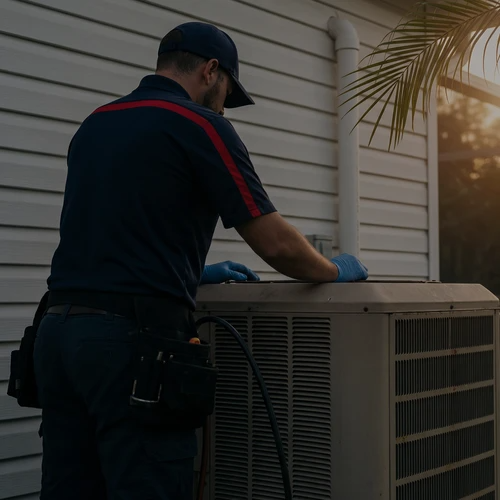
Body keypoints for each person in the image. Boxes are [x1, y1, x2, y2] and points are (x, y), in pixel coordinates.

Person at [33, 21, 368, 500]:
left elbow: (111, 231)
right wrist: (336, 270)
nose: (225, 104)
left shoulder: (97, 123)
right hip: (129, 347)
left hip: (57, 339)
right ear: (212, 71)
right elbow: (274, 243)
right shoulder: (202, 126)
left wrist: (191, 274)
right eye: (228, 90)